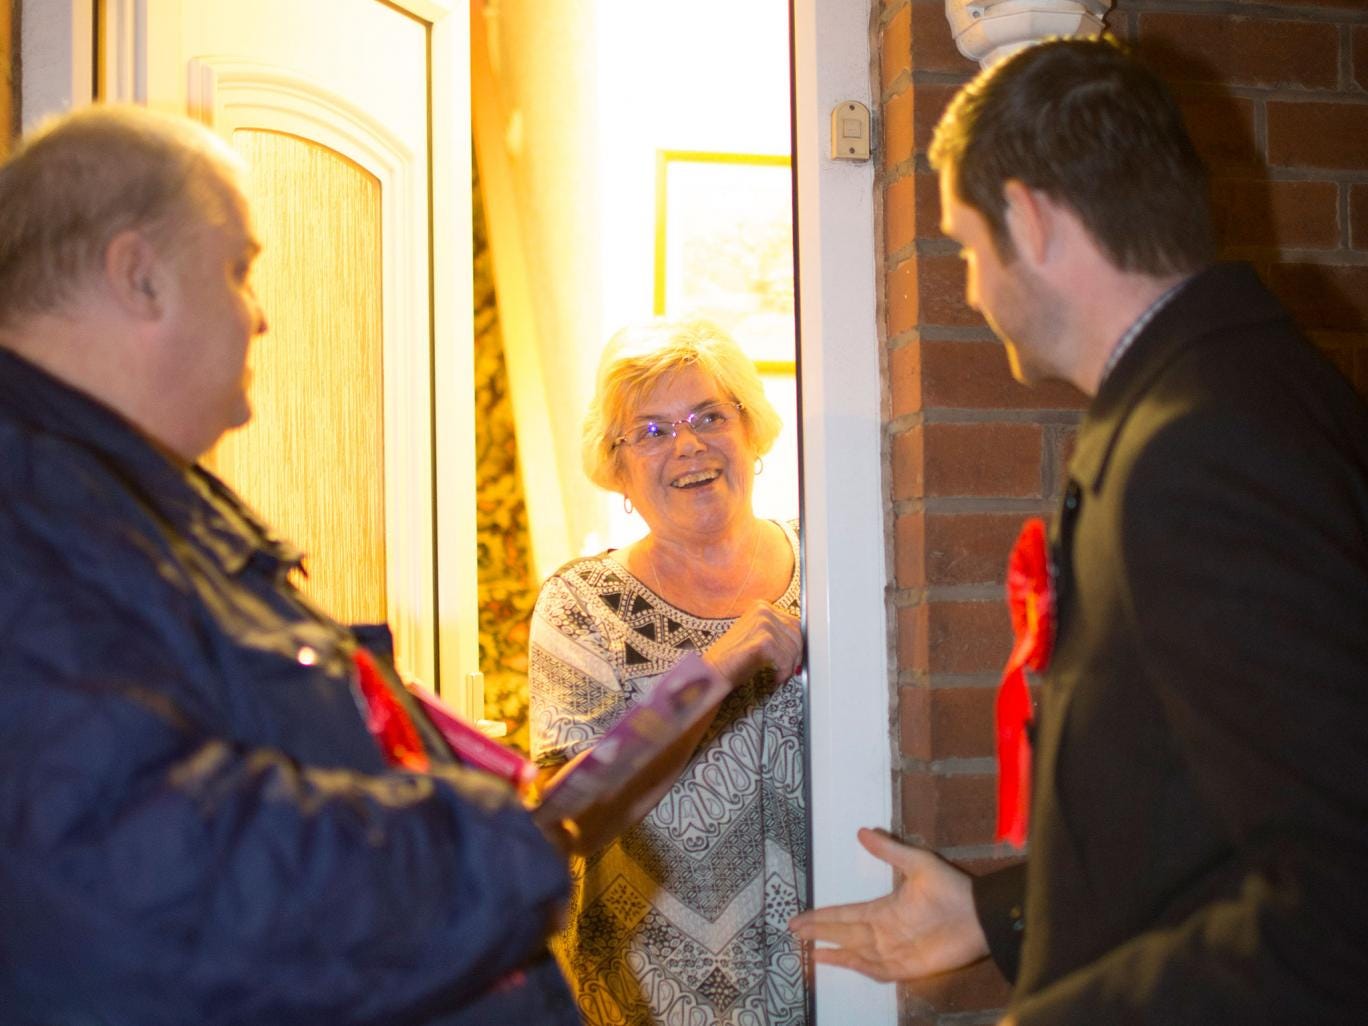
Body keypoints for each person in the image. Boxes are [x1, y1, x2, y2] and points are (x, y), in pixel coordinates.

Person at [789, 36, 1368, 1025]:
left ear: (1030, 217)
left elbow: (1340, 900)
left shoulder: (1201, 446)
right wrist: (993, 917)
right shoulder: (1241, 391)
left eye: (968, 246)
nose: (970, 291)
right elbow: (1201, 821)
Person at [0, 104, 579, 1025]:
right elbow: (142, 888)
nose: (259, 316)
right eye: (237, 270)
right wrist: (489, 845)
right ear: (138, 275)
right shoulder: (33, 514)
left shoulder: (135, 498)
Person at [529, 319, 808, 1026]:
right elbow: (569, 819)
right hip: (648, 1000)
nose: (687, 445)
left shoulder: (831, 569)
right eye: (650, 432)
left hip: (831, 988)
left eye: (708, 416)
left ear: (751, 431)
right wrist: (708, 672)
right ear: (618, 469)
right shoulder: (584, 606)